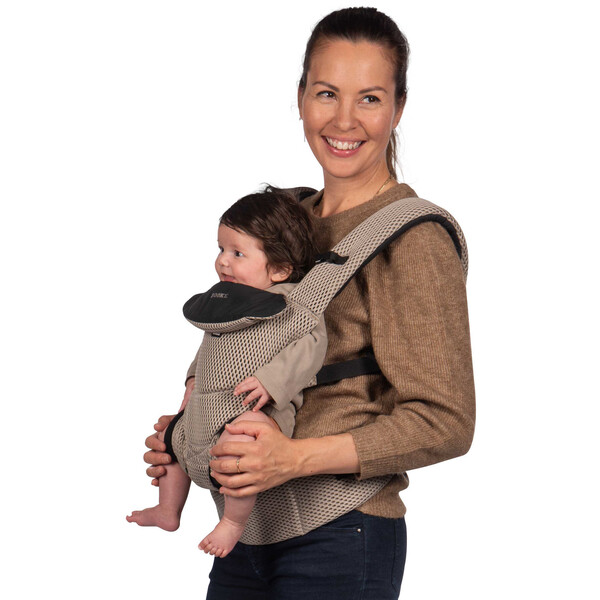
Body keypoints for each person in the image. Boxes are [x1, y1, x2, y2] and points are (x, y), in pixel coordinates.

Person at [143, 7, 476, 598]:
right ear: (300, 97)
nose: (344, 120)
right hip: (247, 531)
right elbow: (245, 343)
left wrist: (293, 459)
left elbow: (446, 422)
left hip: (341, 533)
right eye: (326, 93)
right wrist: (194, 426)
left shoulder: (412, 238)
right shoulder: (279, 221)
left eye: (369, 98)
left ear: (399, 107)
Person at [128, 189, 326, 558]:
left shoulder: (293, 305)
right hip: (207, 408)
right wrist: (192, 380)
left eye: (237, 253)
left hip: (259, 411)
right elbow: (209, 348)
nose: (222, 261)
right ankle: (168, 509)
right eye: (221, 249)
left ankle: (233, 522)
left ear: (280, 269)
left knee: (241, 449)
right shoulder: (230, 302)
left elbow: (311, 346)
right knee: (169, 436)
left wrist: (272, 381)